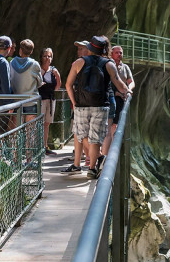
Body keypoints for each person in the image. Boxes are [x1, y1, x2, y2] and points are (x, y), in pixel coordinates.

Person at [63, 35, 129, 179]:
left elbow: (68, 84)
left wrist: (74, 102)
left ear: (90, 48)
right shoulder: (109, 64)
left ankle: (97, 159)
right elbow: (119, 83)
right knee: (96, 138)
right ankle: (92, 169)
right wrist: (127, 91)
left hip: (82, 105)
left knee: (82, 135)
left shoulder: (78, 63)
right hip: (101, 105)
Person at [101, 45, 135, 155]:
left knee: (115, 124)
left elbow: (131, 81)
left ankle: (110, 150)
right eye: (117, 52)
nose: (119, 54)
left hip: (120, 99)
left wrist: (128, 89)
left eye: (121, 53)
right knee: (108, 125)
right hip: (108, 97)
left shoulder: (125, 67)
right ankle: (106, 151)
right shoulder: (107, 65)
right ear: (111, 53)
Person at [10, 39, 43, 122]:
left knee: (16, 131)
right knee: (31, 131)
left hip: (16, 101)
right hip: (31, 101)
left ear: (20, 50)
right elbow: (39, 83)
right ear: (31, 51)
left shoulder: (12, 62)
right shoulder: (34, 64)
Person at [38, 47, 62, 155]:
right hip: (40, 99)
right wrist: (42, 73)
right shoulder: (38, 69)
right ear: (41, 57)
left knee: (47, 123)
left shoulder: (53, 70)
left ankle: (44, 146)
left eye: (49, 56)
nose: (47, 58)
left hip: (51, 99)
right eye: (45, 56)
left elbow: (58, 87)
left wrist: (57, 75)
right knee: (39, 123)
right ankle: (37, 147)